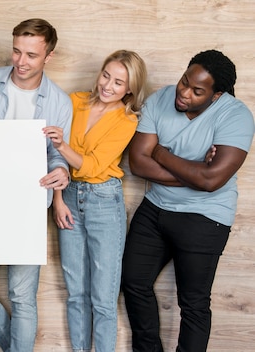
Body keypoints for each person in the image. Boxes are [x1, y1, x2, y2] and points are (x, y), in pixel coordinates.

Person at [121, 49, 254, 351]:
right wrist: (193, 173)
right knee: (133, 282)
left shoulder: (237, 116)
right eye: (184, 82)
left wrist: (161, 153)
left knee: (193, 303)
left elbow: (210, 181)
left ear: (217, 95)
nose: (183, 93)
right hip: (155, 209)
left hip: (205, 218)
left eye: (197, 91)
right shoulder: (160, 99)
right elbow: (139, 163)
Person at [0, 18, 72, 352]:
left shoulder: (59, 102)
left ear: (48, 57)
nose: (21, 62)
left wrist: (61, 174)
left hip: (28, 206)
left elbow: (57, 157)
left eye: (32, 55)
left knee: (22, 297)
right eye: (16, 51)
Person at [44, 50, 148, 352]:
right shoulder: (73, 101)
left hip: (104, 202)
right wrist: (58, 200)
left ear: (129, 89)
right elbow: (55, 161)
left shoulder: (128, 120)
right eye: (106, 75)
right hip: (69, 196)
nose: (107, 86)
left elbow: (90, 165)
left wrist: (62, 144)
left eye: (118, 82)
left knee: (103, 300)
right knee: (76, 294)